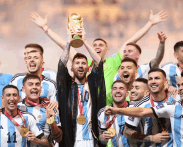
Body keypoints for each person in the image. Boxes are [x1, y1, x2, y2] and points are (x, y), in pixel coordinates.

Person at [30, 10, 167, 105]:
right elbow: (63, 44)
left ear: (107, 50)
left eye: (101, 45)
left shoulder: (114, 61)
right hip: (88, 104)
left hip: (111, 103)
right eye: (94, 45)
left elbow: (130, 41)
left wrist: (150, 23)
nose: (97, 47)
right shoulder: (84, 64)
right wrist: (45, 28)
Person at [57, 29, 105, 147]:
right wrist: (68, 42)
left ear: (88, 68)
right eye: (77, 63)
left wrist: (84, 42)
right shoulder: (67, 86)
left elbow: (99, 63)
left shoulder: (93, 85)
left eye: (83, 63)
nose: (80, 66)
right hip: (71, 141)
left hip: (92, 140)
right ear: (72, 68)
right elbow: (61, 65)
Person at [103, 76, 183, 147]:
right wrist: (151, 138)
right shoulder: (134, 107)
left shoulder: (171, 103)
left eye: (137, 88)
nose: (133, 91)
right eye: (132, 88)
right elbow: (127, 130)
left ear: (147, 92)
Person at [18, 74, 62, 146]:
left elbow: (59, 139)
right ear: (23, 89)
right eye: (30, 84)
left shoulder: (50, 107)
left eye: (37, 84)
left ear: (40, 88)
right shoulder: (17, 107)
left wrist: (51, 121)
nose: (34, 87)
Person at [98, 80, 130, 147]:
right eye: (115, 88)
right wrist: (103, 138)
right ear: (111, 93)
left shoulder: (134, 108)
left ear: (127, 94)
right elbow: (101, 137)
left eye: (121, 88)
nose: (118, 91)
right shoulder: (102, 112)